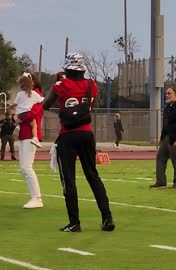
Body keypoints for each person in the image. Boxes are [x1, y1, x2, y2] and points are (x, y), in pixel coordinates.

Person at [42, 53, 114, 232]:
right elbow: (88, 102)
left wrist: (59, 82)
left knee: (69, 180)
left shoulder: (60, 85)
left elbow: (45, 104)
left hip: (68, 135)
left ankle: (74, 222)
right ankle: (107, 218)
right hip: (87, 133)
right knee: (93, 176)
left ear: (67, 68)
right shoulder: (92, 85)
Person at [12, 74, 45, 209]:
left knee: (26, 167)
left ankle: (37, 198)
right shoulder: (25, 95)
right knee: (24, 167)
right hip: (25, 134)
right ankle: (35, 197)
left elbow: (33, 113)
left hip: (30, 135)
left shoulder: (36, 95)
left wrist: (19, 118)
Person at [150, 87, 176, 189]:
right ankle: (161, 181)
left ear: (175, 95)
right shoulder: (168, 107)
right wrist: (162, 139)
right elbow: (166, 124)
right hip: (167, 137)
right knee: (160, 157)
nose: (166, 95)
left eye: (169, 93)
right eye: (166, 93)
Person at [10, 74, 43, 148]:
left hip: (20, 114)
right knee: (34, 126)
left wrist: (10, 106)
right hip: (27, 113)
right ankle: (35, 138)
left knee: (16, 119)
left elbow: (15, 104)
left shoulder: (19, 94)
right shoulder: (34, 94)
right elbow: (42, 100)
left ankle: (15, 127)